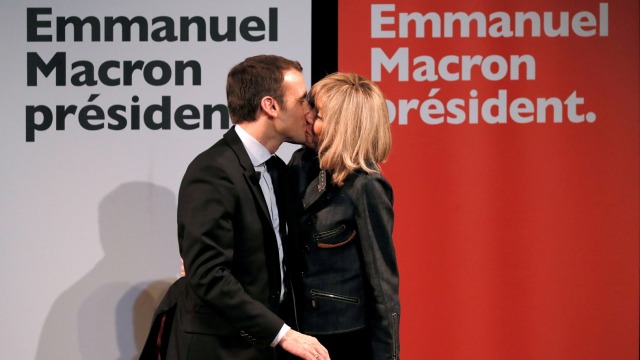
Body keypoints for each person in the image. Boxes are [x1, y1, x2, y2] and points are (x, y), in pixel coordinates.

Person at [141, 55, 330, 360]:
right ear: (271, 106)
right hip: (220, 350)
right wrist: (282, 335)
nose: (310, 111)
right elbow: (208, 275)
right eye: (303, 100)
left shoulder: (279, 170)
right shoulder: (212, 171)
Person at [287, 73, 400, 360]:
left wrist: (388, 356)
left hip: (343, 339)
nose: (308, 117)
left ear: (343, 127)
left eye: (319, 114)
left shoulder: (367, 186)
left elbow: (382, 284)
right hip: (294, 332)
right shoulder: (300, 165)